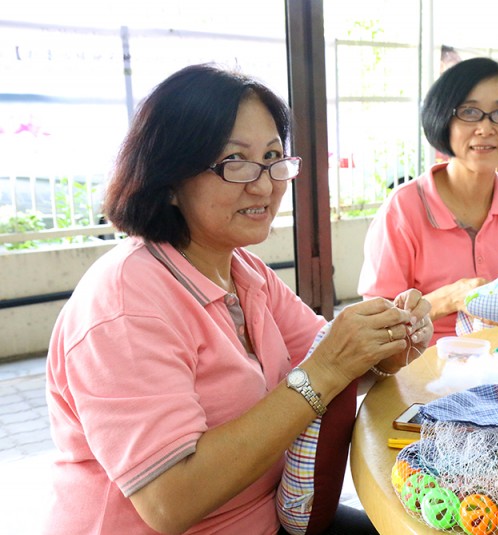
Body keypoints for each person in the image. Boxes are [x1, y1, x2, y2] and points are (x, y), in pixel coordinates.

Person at [44, 63, 432, 535]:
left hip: (266, 516)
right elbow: (170, 502)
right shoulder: (124, 304)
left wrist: (389, 342)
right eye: (235, 161)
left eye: (272, 157)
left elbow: (332, 358)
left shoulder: (243, 270)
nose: (264, 184)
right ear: (169, 179)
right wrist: (326, 369)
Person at [358, 57, 498, 342]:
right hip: (426, 362)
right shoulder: (403, 208)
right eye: (470, 112)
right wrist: (449, 299)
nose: (485, 128)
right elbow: (375, 324)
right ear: (444, 119)